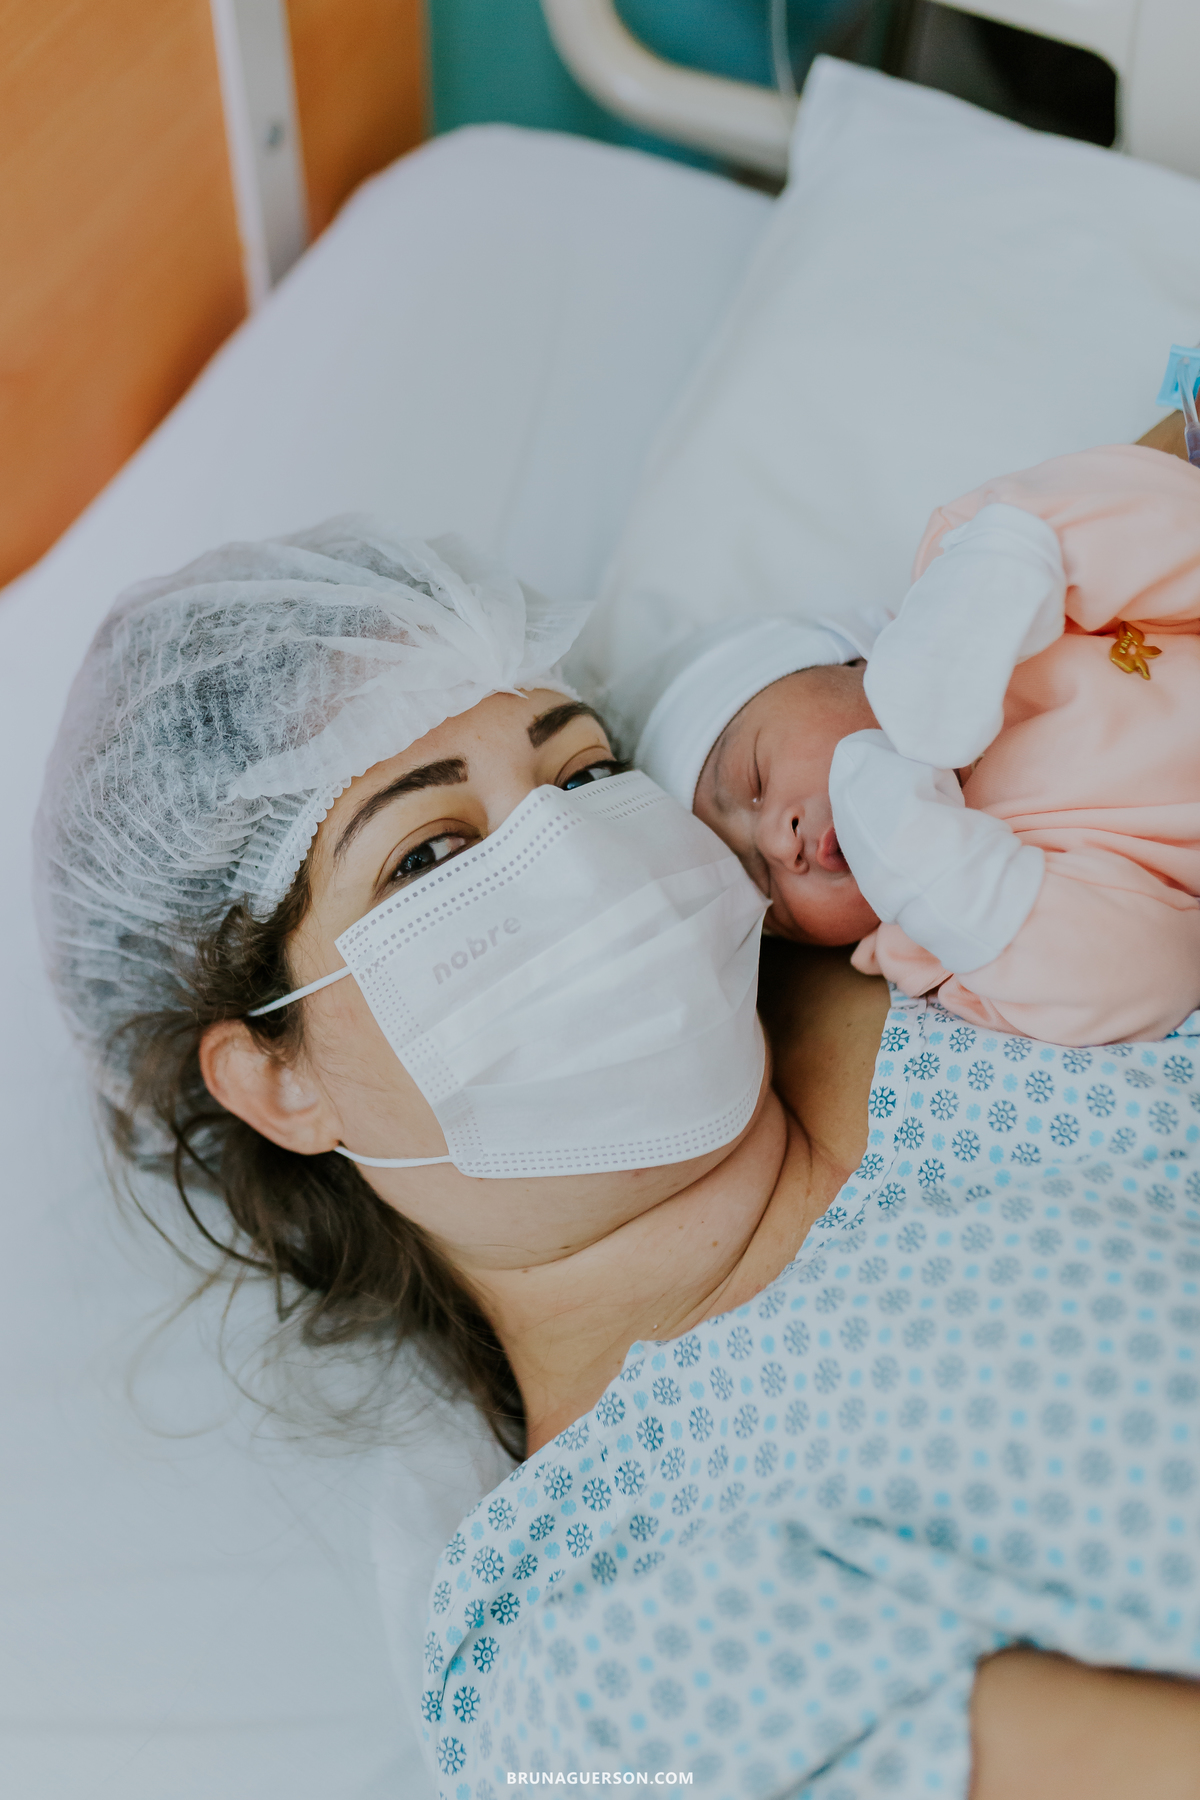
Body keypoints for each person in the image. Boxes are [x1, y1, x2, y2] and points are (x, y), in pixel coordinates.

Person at [34, 510, 1200, 1800]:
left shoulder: (946, 909)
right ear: (277, 1080)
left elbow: (1130, 516)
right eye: (426, 856)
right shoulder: (587, 1626)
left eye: (582, 772)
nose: (575, 851)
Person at [618, 442, 1200, 1048]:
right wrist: (952, 882)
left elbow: (1168, 514)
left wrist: (982, 597)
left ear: (853, 658)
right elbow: (1160, 970)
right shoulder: (936, 951)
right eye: (765, 892)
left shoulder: (970, 574)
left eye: (755, 779)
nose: (776, 845)